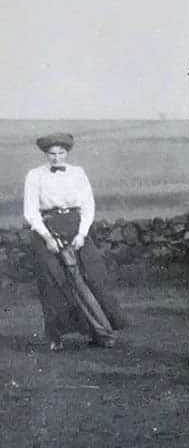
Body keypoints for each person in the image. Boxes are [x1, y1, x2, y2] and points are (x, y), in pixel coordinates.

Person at [23, 132, 127, 350]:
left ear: (67, 153)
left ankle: (101, 333)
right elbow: (31, 212)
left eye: (61, 153)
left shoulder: (78, 173)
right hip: (47, 229)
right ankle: (55, 337)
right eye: (52, 154)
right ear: (46, 154)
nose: (56, 158)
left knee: (92, 279)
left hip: (75, 227)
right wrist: (48, 238)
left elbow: (88, 205)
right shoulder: (35, 175)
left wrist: (81, 234)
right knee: (54, 283)